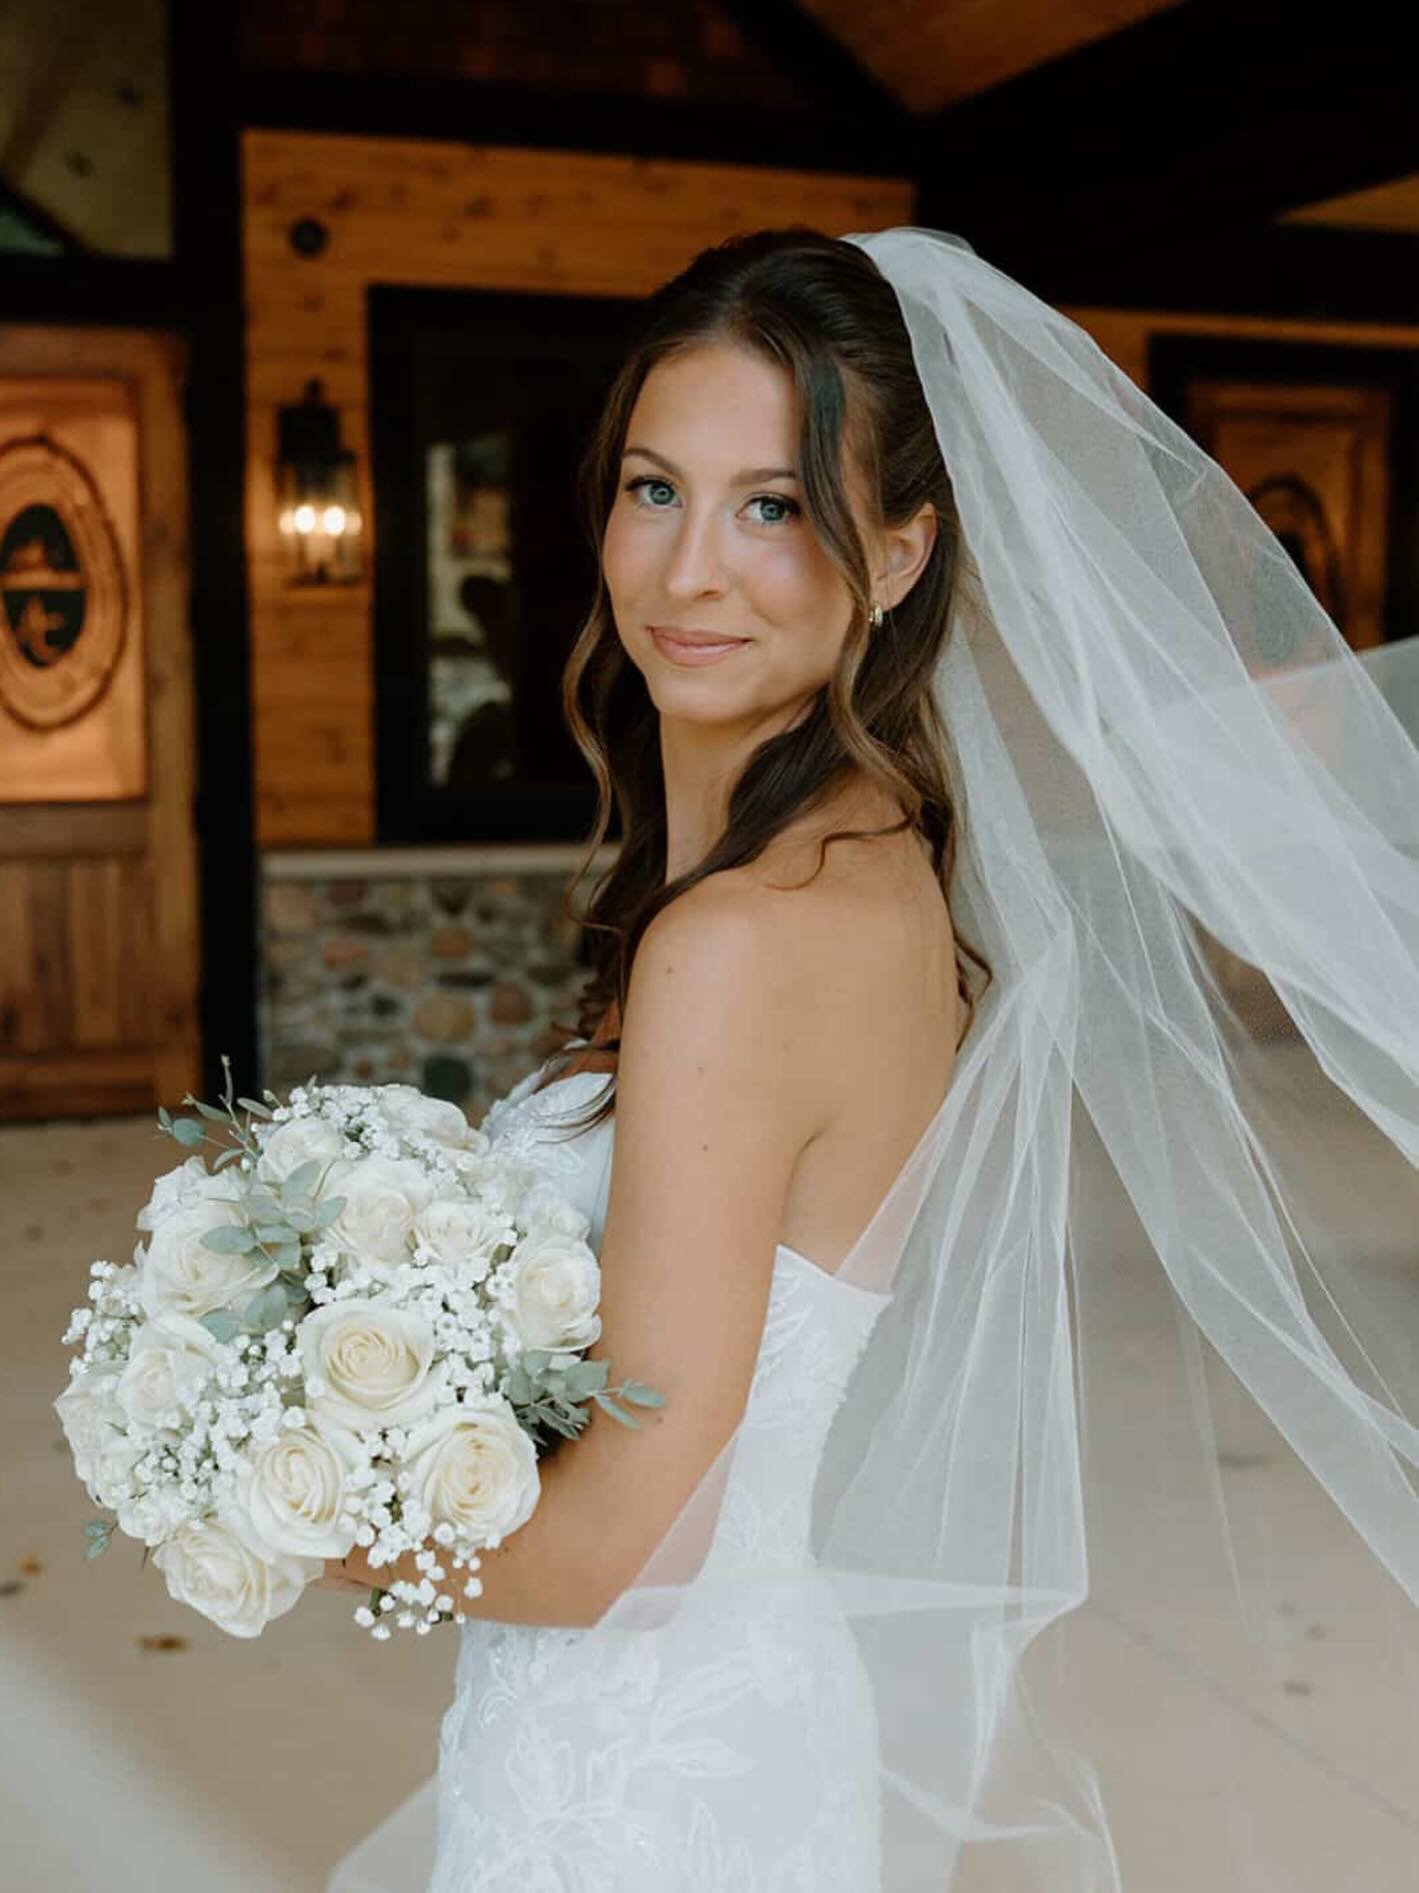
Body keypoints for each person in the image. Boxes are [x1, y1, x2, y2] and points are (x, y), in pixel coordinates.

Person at [325, 226, 1419, 1891]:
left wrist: (293, 1502)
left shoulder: (734, 946)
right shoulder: (883, 857)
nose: (690, 569)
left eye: (773, 505)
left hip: (640, 1781)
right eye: (654, 486)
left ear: (898, 555)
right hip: (748, 1716)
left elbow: (627, 1538)